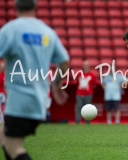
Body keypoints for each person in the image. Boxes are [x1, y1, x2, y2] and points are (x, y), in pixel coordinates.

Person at [0, 0, 69, 159]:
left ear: (15, 7)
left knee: (14, 147)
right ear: (36, 7)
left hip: (19, 100)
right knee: (5, 138)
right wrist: (56, 84)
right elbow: (64, 62)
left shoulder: (10, 30)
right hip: (38, 100)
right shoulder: (47, 32)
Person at [75, 60, 99, 124]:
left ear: (89, 66)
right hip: (79, 94)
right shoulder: (79, 74)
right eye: (84, 65)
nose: (85, 66)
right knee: (79, 107)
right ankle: (78, 121)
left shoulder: (92, 75)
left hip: (88, 94)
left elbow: (95, 84)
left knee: (88, 108)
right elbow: (77, 83)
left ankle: (87, 121)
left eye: (86, 65)